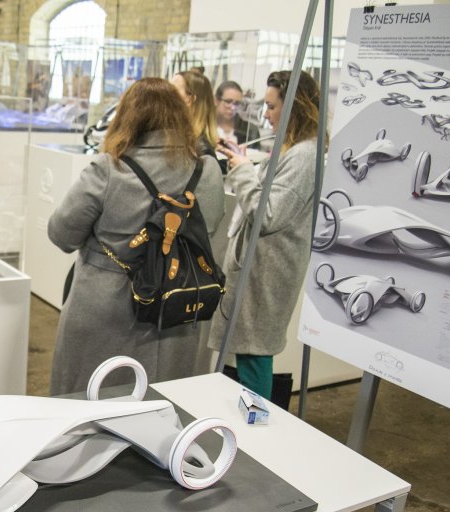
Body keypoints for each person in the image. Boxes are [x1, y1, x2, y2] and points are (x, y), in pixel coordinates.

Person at [47, 77, 226, 395]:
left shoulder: (109, 169)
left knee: (90, 403)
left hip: (106, 310)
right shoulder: (207, 170)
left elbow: (61, 234)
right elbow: (208, 228)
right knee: (162, 406)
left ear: (127, 116)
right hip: (176, 310)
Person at [207, 70, 324, 399]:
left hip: (268, 273)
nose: (266, 115)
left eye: (272, 107)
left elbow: (268, 215)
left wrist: (243, 170)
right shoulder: (295, 150)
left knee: (255, 355)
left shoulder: (304, 155)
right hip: (261, 269)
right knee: (247, 353)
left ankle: (255, 423)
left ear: (295, 107)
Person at [170, 70, 220, 162]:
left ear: (190, 99)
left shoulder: (202, 151)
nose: (164, 95)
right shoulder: (180, 138)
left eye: (172, 91)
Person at [215, 80, 258, 148]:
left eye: (237, 103)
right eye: (228, 102)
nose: (233, 107)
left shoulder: (250, 131)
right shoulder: (204, 126)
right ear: (216, 100)